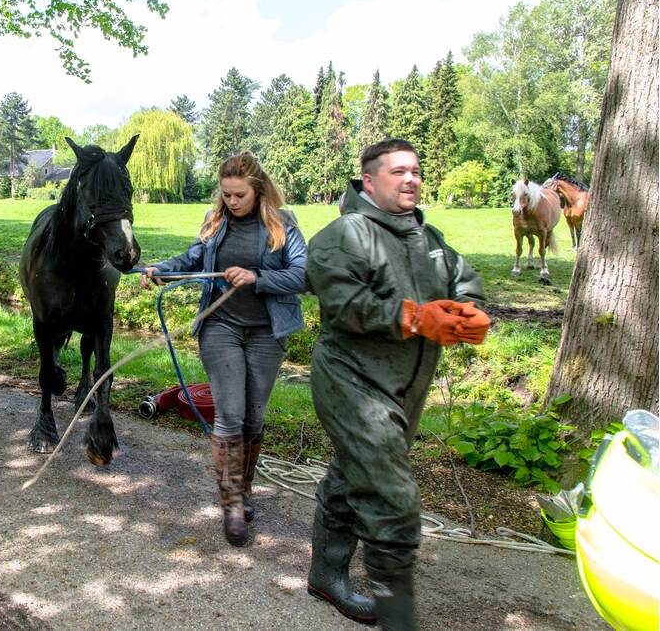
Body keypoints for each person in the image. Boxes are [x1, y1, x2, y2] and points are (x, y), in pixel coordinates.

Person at [304, 139, 491, 629]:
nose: (411, 179)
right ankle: (398, 618)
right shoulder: (344, 234)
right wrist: (413, 317)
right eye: (398, 171)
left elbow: (461, 276)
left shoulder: (426, 235)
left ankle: (326, 575)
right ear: (369, 181)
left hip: (407, 385)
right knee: (392, 498)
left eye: (416, 171)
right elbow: (343, 302)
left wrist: (467, 308)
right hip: (352, 381)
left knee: (353, 475)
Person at [141, 152, 307, 546]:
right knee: (230, 414)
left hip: (268, 332)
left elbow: (303, 274)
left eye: (239, 195)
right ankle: (231, 504)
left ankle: (245, 490)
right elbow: (193, 256)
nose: (232, 202)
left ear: (258, 190)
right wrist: (164, 269)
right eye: (227, 194)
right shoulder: (215, 223)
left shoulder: (283, 226)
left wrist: (258, 277)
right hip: (221, 327)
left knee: (253, 416)